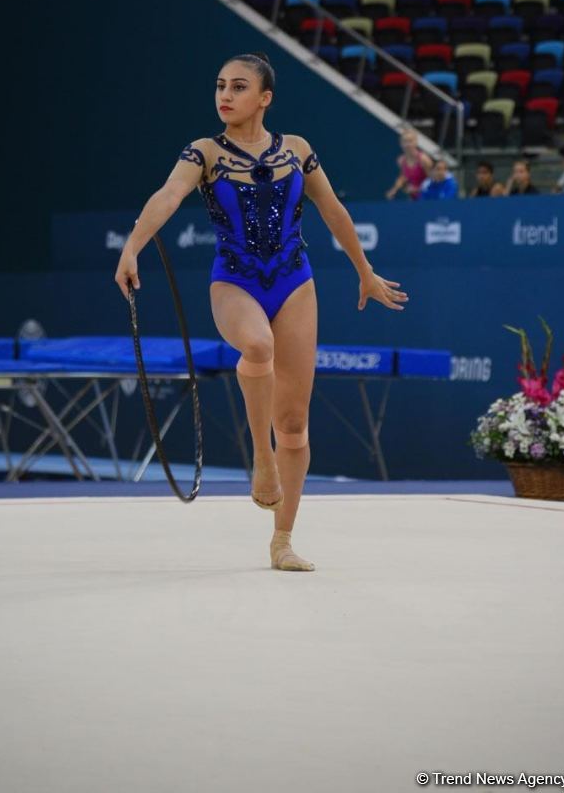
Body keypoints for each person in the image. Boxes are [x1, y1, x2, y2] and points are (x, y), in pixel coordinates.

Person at [114, 52, 408, 572]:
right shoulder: (204, 152)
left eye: (239, 87)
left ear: (265, 98)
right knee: (257, 345)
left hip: (295, 281)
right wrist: (133, 246)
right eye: (220, 85)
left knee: (294, 422)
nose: (225, 95)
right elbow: (168, 195)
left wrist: (364, 269)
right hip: (235, 281)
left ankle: (283, 540)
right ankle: (261, 457)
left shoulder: (296, 149)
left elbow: (332, 208)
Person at [385, 127, 433, 201]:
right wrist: (394, 190)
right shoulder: (401, 161)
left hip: (428, 199)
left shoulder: (424, 160)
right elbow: (403, 176)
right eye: (405, 142)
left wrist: (417, 189)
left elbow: (434, 182)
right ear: (401, 144)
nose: (408, 144)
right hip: (413, 200)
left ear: (416, 142)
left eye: (410, 141)